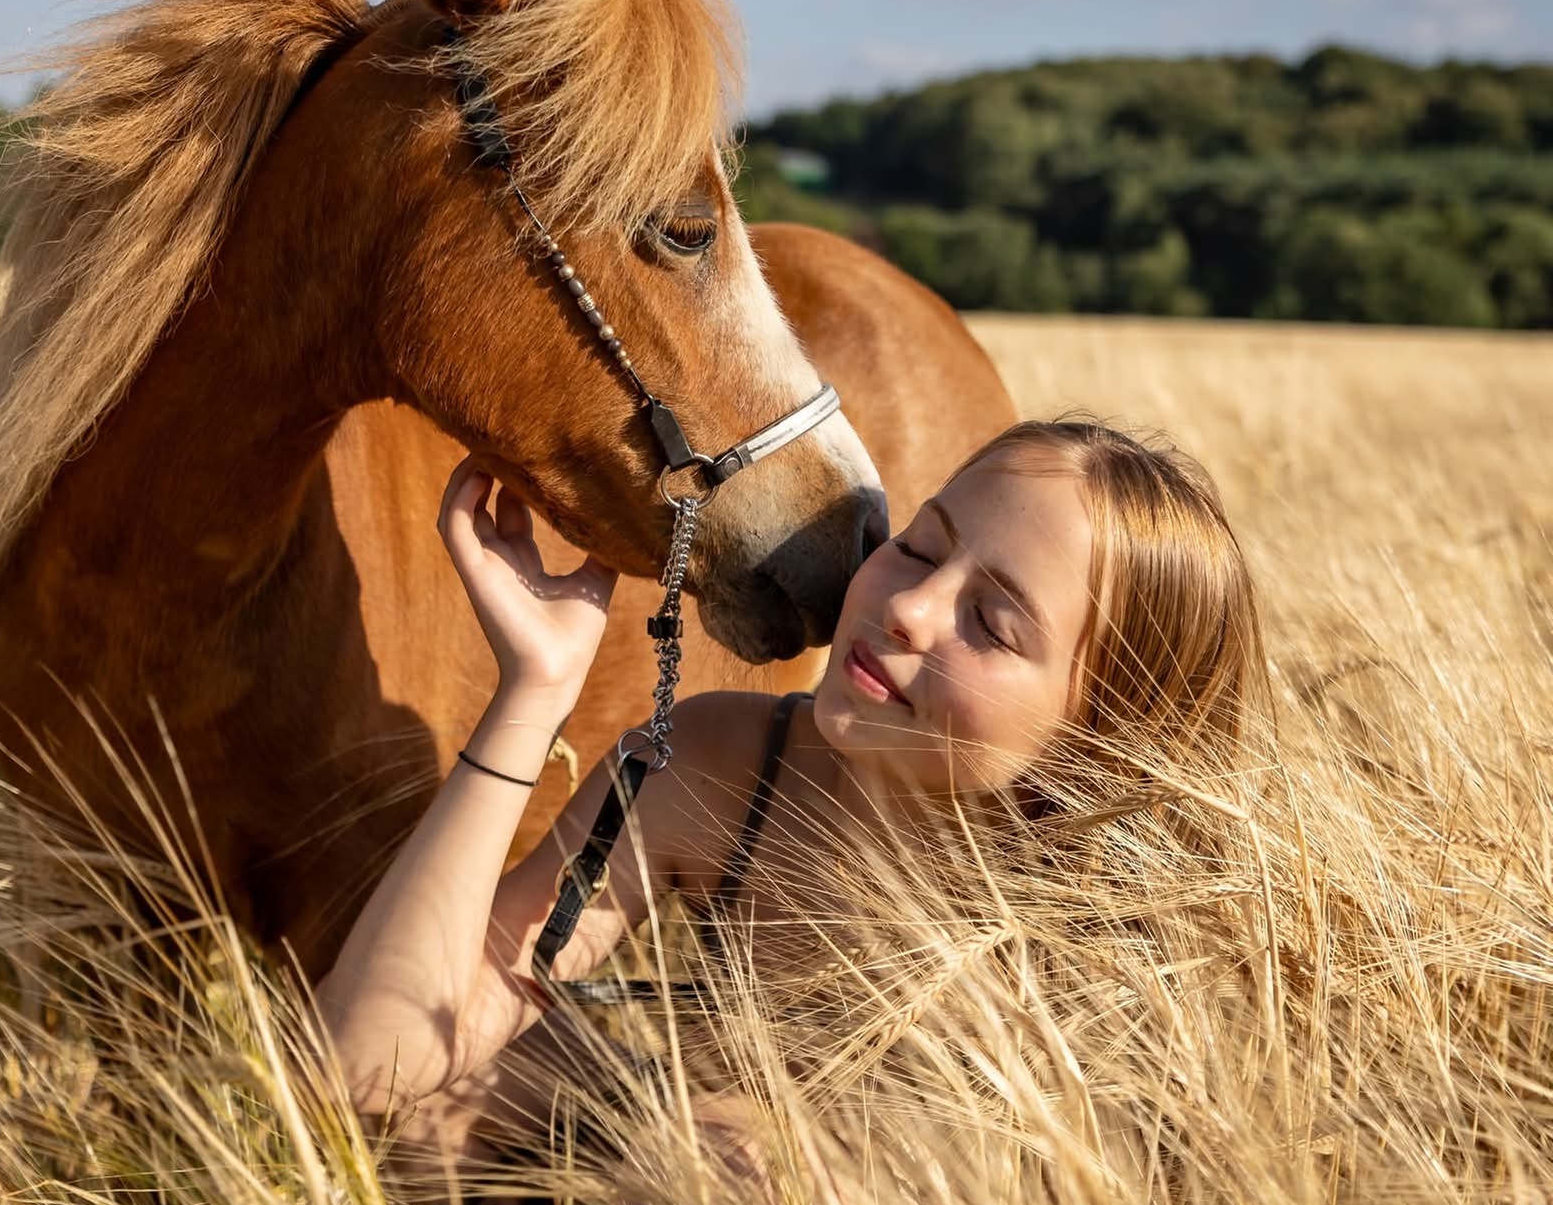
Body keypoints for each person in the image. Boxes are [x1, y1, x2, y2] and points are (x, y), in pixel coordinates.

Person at [317, 419, 1268, 1151]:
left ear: (1101, 729)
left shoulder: (1118, 946)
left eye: (991, 623)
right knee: (450, 1113)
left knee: (728, 1163)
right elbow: (369, 1060)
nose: (908, 607)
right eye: (920, 548)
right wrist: (536, 689)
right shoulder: (716, 766)